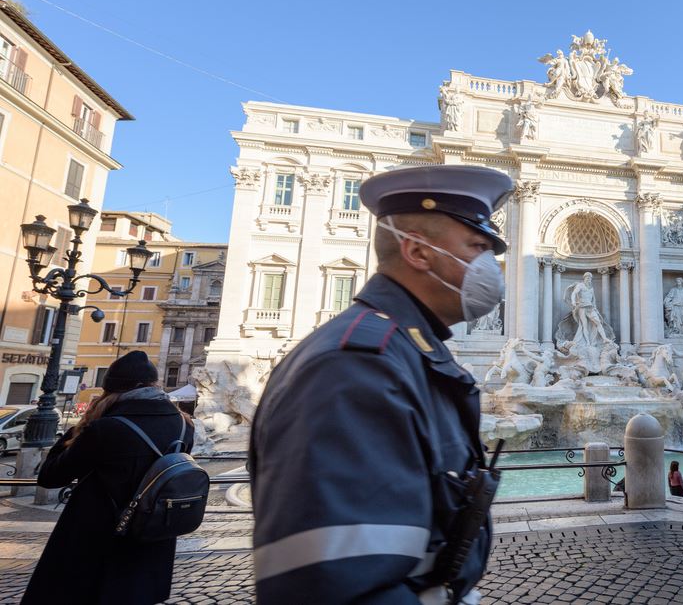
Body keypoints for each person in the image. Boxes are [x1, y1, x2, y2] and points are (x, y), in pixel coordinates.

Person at [249, 165, 514, 604]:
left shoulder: (408, 353)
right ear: (418, 252)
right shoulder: (355, 366)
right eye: (477, 246)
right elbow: (336, 584)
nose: (490, 265)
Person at [22, 351, 192, 605]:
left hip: (96, 542)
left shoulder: (105, 428)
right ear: (154, 383)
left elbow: (51, 476)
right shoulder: (184, 425)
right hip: (152, 539)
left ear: (112, 389)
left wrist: (77, 431)